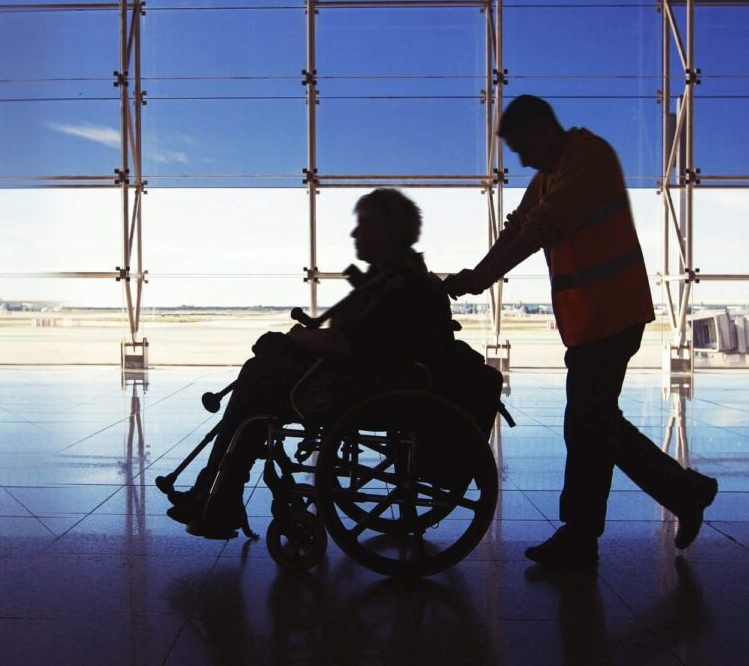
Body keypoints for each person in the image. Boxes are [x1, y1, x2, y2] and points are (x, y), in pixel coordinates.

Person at [443, 95, 719, 569]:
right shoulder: (552, 174)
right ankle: (685, 492)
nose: (522, 159)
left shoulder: (589, 158)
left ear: (542, 131)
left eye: (522, 147)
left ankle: (582, 534)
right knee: (598, 422)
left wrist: (479, 279)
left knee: (587, 422)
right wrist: (474, 275)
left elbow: (540, 229)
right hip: (592, 319)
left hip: (612, 314)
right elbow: (517, 228)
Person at [174, 188, 456, 540]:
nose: (355, 233)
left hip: (366, 391)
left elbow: (351, 344)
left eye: (364, 225)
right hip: (376, 383)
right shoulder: (402, 280)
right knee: (259, 378)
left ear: (390, 231)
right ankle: (216, 494)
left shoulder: (401, 285)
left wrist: (294, 339)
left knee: (258, 380)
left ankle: (217, 494)